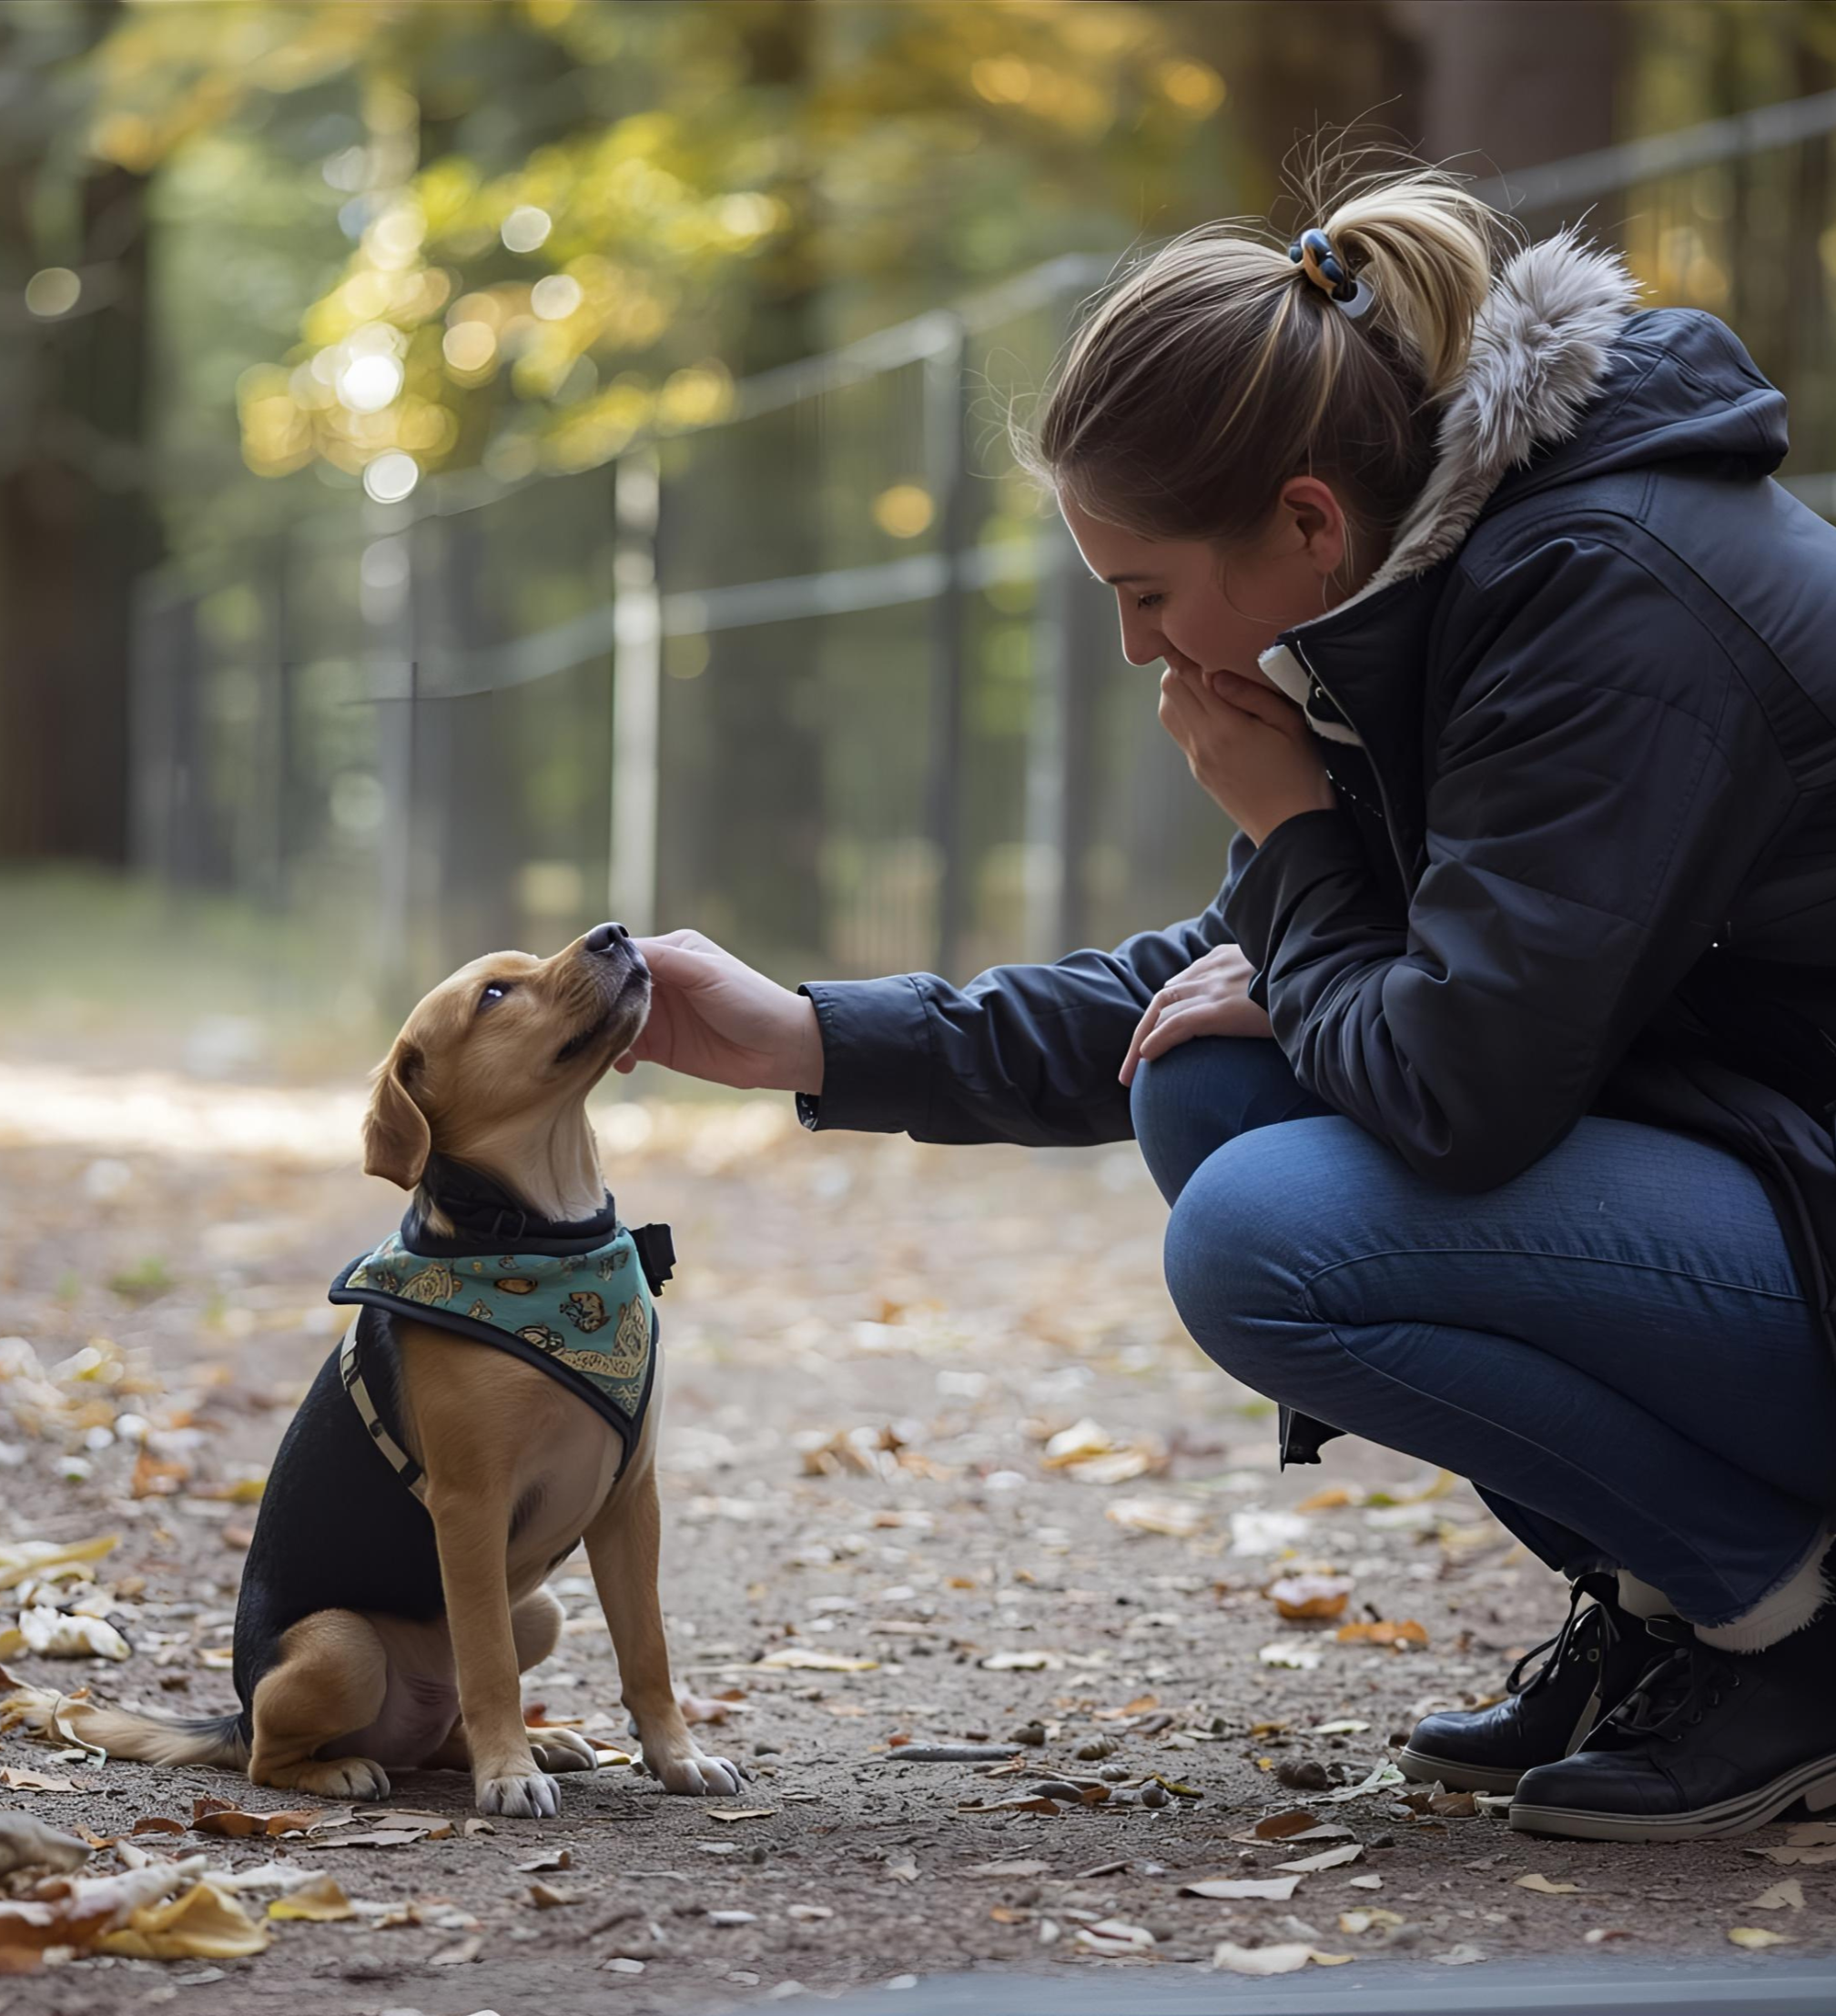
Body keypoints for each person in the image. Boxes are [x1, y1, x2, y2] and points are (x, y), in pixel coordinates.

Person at [613, 151, 1836, 1846]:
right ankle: (1662, 1613)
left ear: (1305, 521)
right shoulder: (1439, 587)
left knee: (1267, 1230)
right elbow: (1218, 980)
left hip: (1800, 1205)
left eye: (1144, 592)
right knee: (1210, 1086)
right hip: (1762, 1177)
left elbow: (1456, 1085)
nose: (1138, 650)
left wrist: (1296, 843)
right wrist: (812, 1033)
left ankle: (1788, 1626)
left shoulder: (1604, 597)